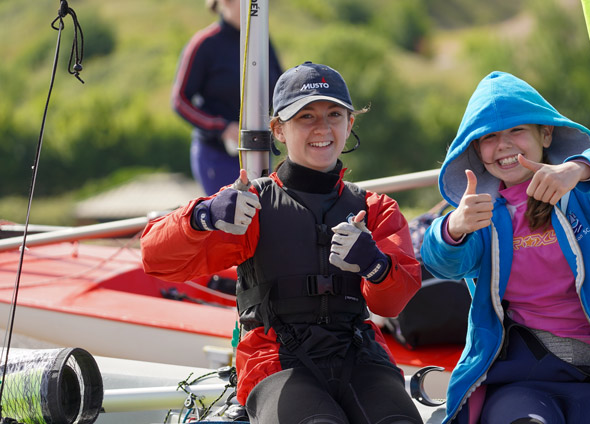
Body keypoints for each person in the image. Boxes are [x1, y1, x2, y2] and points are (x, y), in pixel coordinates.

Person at [142, 62, 423, 424]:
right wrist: (203, 215)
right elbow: (156, 259)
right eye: (306, 116)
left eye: (334, 114)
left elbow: (394, 303)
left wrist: (375, 265)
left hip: (360, 357)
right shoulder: (249, 206)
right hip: (277, 361)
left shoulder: (375, 209)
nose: (322, 127)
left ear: (349, 124)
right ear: (278, 130)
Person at [421, 71, 590, 424]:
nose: (503, 145)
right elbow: (443, 264)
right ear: (475, 149)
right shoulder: (478, 216)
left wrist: (577, 170)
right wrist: (452, 228)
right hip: (517, 379)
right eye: (489, 137)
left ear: (545, 133)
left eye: (517, 130)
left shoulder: (587, 199)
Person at [172, 0, 283, 195]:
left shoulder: (262, 40)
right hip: (218, 155)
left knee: (263, 219)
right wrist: (222, 127)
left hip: (261, 149)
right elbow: (180, 100)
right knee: (231, 218)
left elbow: (281, 88)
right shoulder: (204, 43)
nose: (254, 3)